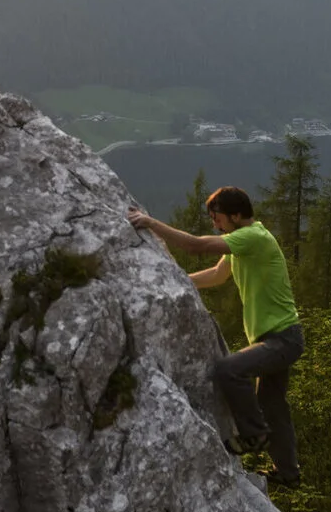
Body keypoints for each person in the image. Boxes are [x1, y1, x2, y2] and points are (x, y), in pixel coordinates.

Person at [127, 185, 304, 488]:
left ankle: (253, 435)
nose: (215, 224)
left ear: (236, 216)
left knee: (228, 369)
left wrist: (151, 222)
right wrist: (179, 281)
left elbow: (197, 246)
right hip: (278, 337)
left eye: (218, 218)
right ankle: (288, 473)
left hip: (282, 339)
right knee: (273, 405)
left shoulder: (254, 238)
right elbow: (217, 275)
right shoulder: (246, 241)